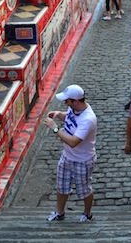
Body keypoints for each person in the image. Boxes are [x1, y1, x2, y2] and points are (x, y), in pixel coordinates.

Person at [42, 84, 97, 222]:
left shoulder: (88, 119)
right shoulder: (74, 108)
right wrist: (59, 114)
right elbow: (70, 116)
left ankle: (87, 213)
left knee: (84, 190)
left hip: (82, 160)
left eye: (67, 100)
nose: (64, 102)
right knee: (61, 187)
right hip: (67, 157)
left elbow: (73, 141)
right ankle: (59, 213)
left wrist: (55, 129)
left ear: (76, 101)